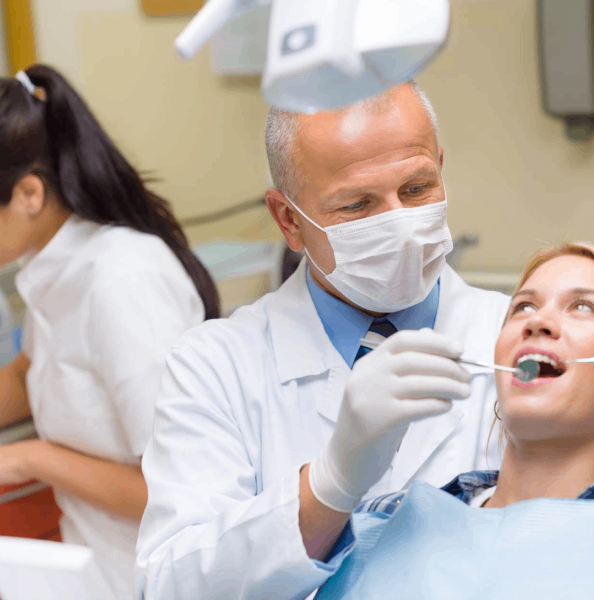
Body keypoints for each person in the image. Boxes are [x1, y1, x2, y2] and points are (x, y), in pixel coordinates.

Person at [136, 82, 510, 600]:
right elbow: (171, 586)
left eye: (417, 188)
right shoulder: (215, 365)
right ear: (289, 219)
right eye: (357, 205)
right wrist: (329, 484)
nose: (399, 224)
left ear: (440, 167)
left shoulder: (513, 340)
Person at [0, 66, 219, 599]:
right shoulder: (57, 265)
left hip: (151, 582)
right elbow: (33, 370)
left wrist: (31, 458)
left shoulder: (123, 282)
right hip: (89, 568)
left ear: (29, 193)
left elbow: (180, 488)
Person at [312, 242, 594, 600]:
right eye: (523, 306)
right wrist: (337, 470)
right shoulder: (383, 521)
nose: (537, 321)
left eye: (583, 306)